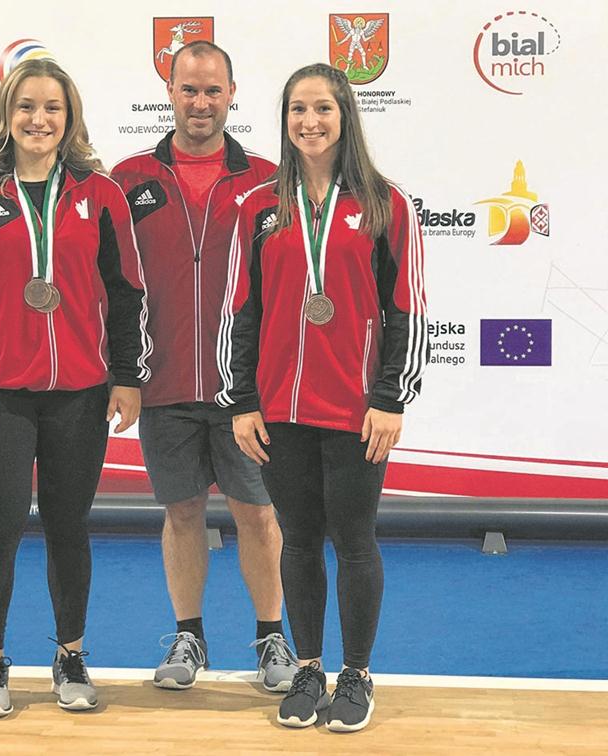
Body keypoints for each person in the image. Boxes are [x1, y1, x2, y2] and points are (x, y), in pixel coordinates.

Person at [0, 58, 152, 718]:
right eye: (26, 106)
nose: (39, 119)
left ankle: (70, 655)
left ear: (69, 117)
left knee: (67, 528)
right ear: (7, 113)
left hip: (81, 392)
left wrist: (129, 377)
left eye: (52, 107)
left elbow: (127, 293)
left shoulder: (100, 194)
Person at [217, 63, 428, 732]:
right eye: (297, 109)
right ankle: (309, 669)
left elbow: (407, 312)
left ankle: (357, 675)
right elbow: (239, 312)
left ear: (345, 118)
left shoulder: (387, 204)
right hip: (278, 412)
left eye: (323, 109)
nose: (309, 121)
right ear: (284, 121)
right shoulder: (258, 207)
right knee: (300, 540)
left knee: (355, 540)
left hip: (355, 411)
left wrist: (391, 399)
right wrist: (241, 401)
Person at [110, 41, 297, 692]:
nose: (200, 102)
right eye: (189, 89)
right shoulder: (127, 178)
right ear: (169, 90)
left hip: (245, 391)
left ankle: (272, 639)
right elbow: (111, 284)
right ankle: (189, 636)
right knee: (183, 513)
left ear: (232, 93)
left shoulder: (271, 180)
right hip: (161, 385)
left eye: (212, 90)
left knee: (257, 514)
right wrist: (122, 372)